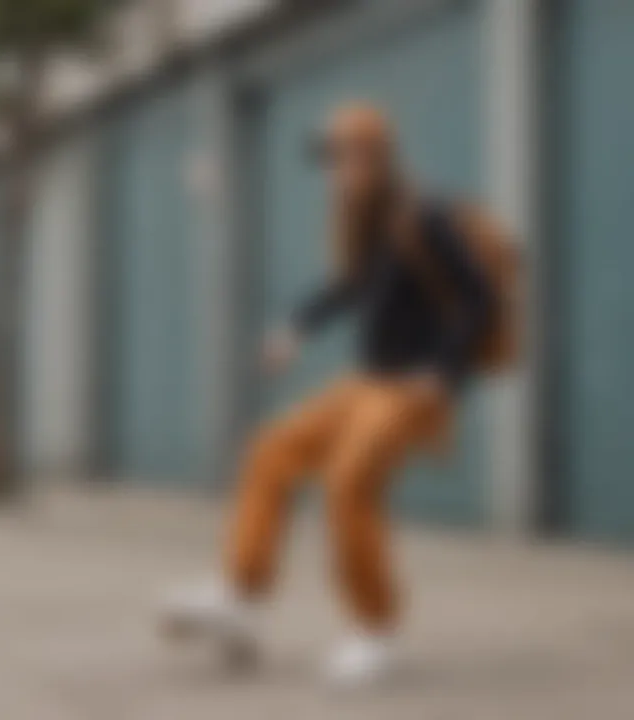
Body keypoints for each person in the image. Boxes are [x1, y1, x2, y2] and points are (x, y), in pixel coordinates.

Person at [161, 104, 498, 687]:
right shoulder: (374, 226)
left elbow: (481, 298)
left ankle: (376, 630)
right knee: (271, 449)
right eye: (332, 160)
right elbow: (349, 288)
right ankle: (243, 597)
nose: (336, 171)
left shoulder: (428, 216)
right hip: (366, 384)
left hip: (410, 391)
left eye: (346, 155)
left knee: (348, 483)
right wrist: (294, 328)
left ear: (377, 156)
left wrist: (443, 371)